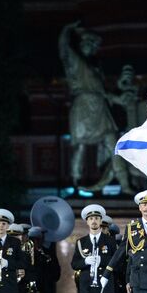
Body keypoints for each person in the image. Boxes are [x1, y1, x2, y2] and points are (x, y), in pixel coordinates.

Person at [58, 21, 133, 193]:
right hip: (82, 108)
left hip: (100, 108)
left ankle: (125, 184)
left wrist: (118, 99)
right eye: (89, 44)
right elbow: (63, 49)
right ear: (82, 44)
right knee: (80, 146)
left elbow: (103, 92)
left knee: (113, 143)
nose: (92, 48)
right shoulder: (75, 63)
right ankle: (75, 182)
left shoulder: (96, 68)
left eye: (94, 45)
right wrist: (67, 29)